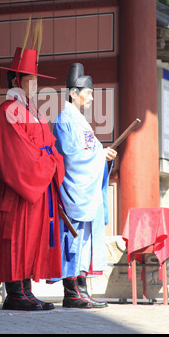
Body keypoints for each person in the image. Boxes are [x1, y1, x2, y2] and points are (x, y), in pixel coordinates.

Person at [0, 19, 65, 311]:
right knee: (16, 238)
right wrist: (47, 163)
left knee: (32, 239)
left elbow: (50, 145)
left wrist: (53, 161)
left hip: (40, 186)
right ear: (16, 80)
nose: (36, 84)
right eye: (31, 79)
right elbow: (16, 155)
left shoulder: (34, 112)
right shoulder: (7, 111)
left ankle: (27, 290)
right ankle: (15, 293)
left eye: (36, 79)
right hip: (21, 188)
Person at [52, 63, 117, 309]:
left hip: (87, 189)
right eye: (87, 92)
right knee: (73, 241)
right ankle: (71, 293)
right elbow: (71, 156)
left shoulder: (80, 121)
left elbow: (91, 150)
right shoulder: (64, 120)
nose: (91, 96)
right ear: (72, 93)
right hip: (75, 188)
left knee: (86, 241)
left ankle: (82, 290)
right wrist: (99, 156)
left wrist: (104, 153)